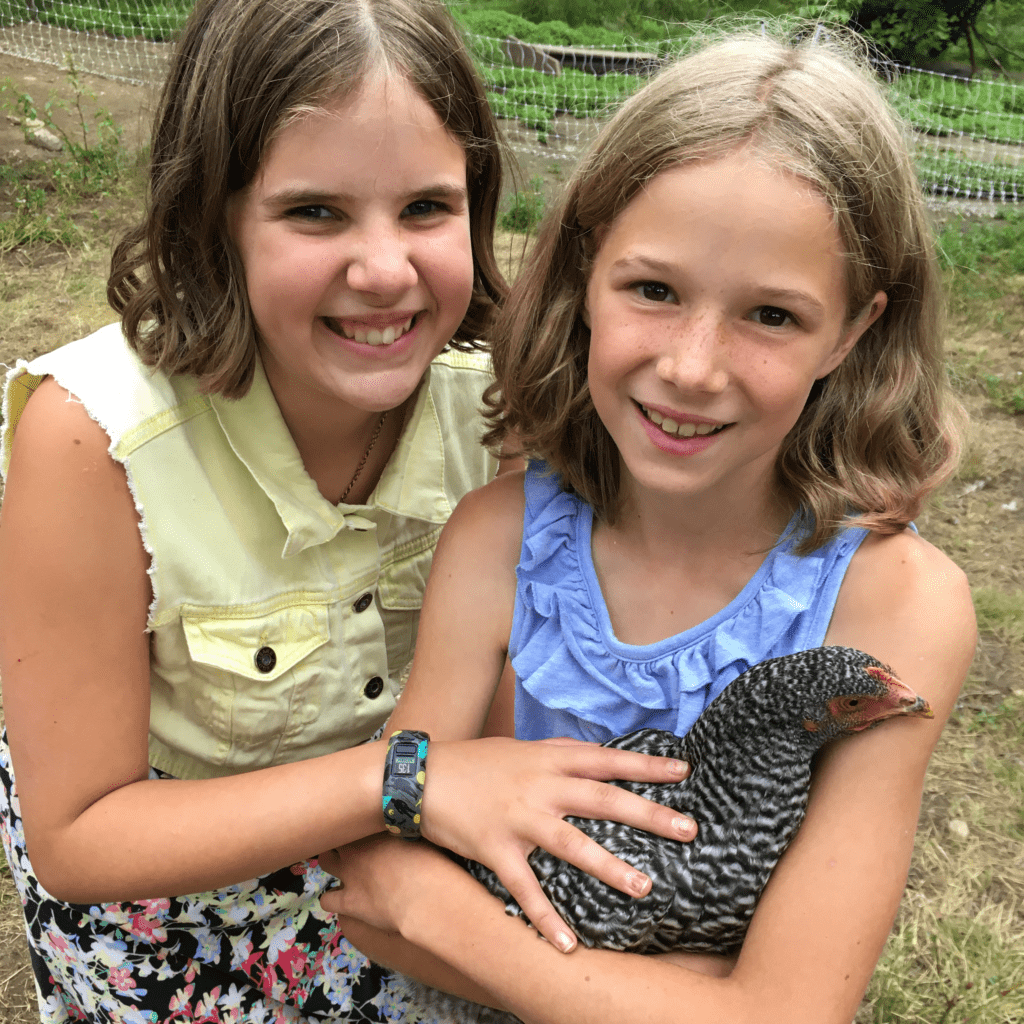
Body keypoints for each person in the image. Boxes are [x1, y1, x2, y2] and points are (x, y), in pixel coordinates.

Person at [0, 1, 695, 1021]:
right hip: (172, 905)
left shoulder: (509, 412)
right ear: (213, 217)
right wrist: (404, 780)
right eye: (315, 212)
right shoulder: (88, 439)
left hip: (415, 867)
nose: (383, 270)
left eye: (425, 208)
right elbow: (79, 835)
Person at [319, 29, 978, 1024]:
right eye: (654, 290)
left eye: (771, 316)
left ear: (852, 330)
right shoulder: (499, 540)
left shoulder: (894, 604)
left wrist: (450, 919)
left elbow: (791, 1012)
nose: (692, 367)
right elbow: (367, 885)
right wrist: (687, 992)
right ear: (586, 272)